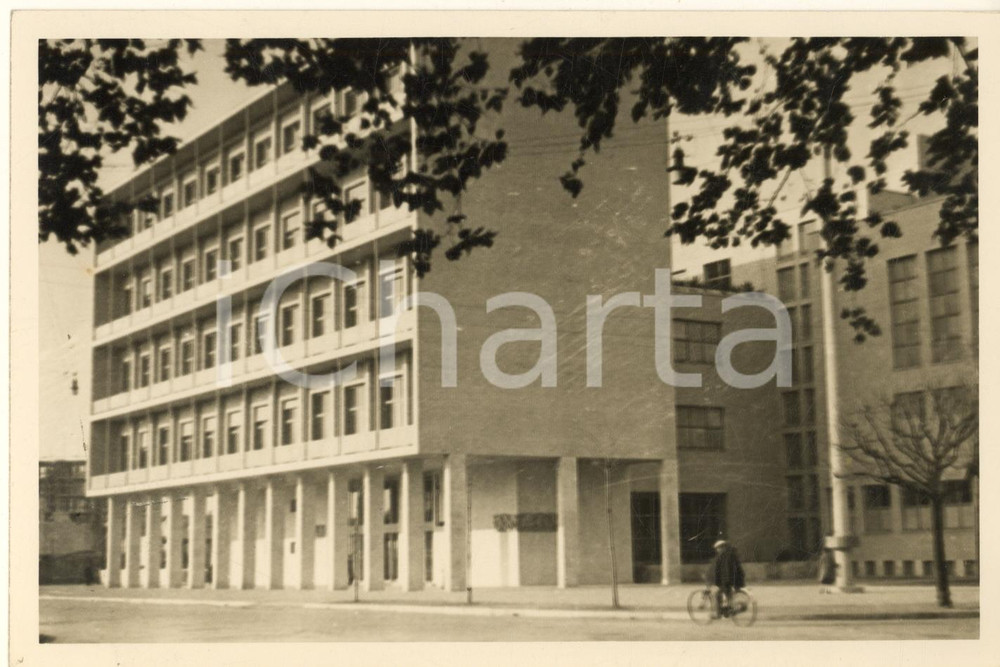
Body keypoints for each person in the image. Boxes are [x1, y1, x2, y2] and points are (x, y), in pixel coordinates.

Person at [705, 539, 745, 618]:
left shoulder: (722, 556)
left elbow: (717, 570)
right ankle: (729, 609)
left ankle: (718, 614)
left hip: (727, 580)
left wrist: (712, 580)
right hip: (737, 580)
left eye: (718, 548)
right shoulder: (733, 554)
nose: (717, 550)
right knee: (728, 594)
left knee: (716, 594)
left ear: (722, 548)